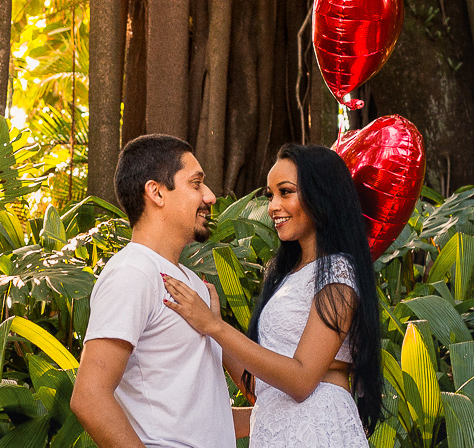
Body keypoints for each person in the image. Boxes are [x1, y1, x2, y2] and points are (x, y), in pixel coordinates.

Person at [161, 143, 383, 448]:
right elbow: (259, 387)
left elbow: (302, 381)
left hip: (317, 429)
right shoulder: (288, 276)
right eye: (270, 195)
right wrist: (211, 328)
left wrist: (216, 328)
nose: (272, 206)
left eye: (286, 192)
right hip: (276, 431)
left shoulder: (337, 273)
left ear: (322, 196)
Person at [71, 134, 249, 448]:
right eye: (196, 184)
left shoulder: (193, 284)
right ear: (156, 192)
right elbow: (89, 398)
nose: (209, 196)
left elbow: (193, 418)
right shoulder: (133, 273)